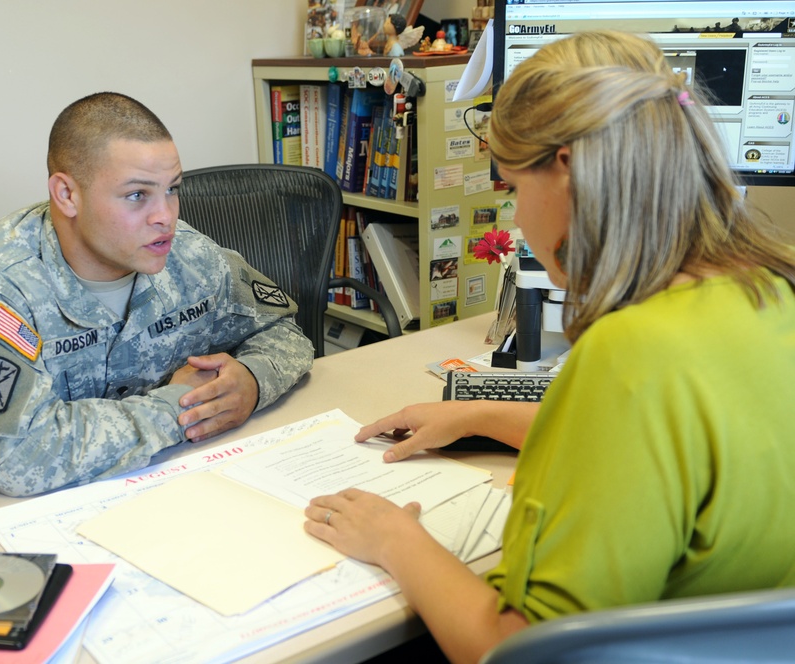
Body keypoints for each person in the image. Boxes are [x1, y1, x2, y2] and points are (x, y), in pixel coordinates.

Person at [304, 31, 795, 663]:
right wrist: (481, 414)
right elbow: (675, 448)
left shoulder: (631, 353)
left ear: (566, 170)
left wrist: (394, 537)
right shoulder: (770, 289)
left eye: (510, 188)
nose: (515, 219)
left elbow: (519, 647)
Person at [0, 92, 313, 497]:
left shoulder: (189, 254)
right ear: (67, 195)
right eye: (138, 195)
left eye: (172, 189)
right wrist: (181, 405)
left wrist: (251, 381)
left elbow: (283, 331)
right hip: (4, 505)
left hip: (165, 479)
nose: (166, 216)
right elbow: (13, 456)